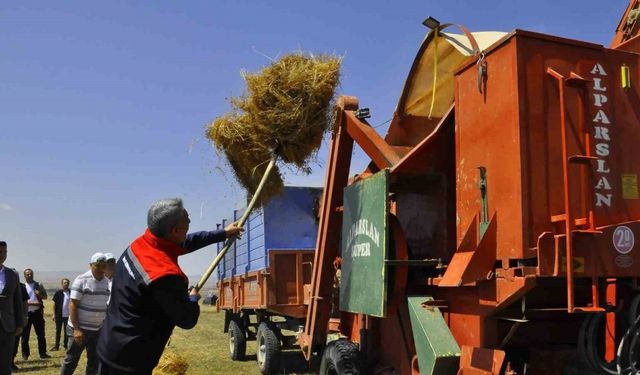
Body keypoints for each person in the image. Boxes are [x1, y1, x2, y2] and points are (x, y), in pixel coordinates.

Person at [97, 198, 243, 375]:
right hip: (129, 359)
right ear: (174, 230)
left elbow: (186, 242)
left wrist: (223, 233)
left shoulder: (140, 245)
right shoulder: (163, 275)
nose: (190, 222)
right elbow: (186, 319)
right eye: (187, 220)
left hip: (108, 343)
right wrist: (193, 297)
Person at [59, 253, 110, 375]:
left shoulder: (107, 282)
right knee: (71, 360)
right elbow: (73, 305)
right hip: (80, 329)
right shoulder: (81, 280)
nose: (101, 269)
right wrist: (77, 329)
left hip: (97, 330)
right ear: (91, 265)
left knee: (94, 362)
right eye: (98, 265)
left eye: (104, 266)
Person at [0, 241, 25, 375]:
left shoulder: (12, 275)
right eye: (0, 252)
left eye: (4, 252)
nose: (2, 255)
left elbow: (17, 301)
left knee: (5, 364)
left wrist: (20, 323)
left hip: (7, 326)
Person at [21, 268, 49, 360]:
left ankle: (43, 353)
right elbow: (20, 301)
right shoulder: (22, 286)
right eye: (28, 274)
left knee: (41, 335)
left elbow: (45, 297)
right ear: (24, 276)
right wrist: (32, 303)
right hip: (26, 314)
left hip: (37, 313)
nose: (30, 275)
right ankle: (25, 355)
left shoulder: (38, 285)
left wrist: (39, 294)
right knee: (25, 336)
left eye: (31, 274)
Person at [11, 272, 28, 372]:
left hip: (16, 318)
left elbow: (25, 302)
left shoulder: (21, 287)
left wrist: (25, 316)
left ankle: (11, 363)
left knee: (14, 342)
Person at [51, 278, 71, 351]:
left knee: (67, 332)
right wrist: (54, 314)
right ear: (62, 284)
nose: (66, 284)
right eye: (64, 282)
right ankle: (56, 346)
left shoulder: (71, 293)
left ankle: (66, 345)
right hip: (59, 315)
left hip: (68, 316)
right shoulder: (58, 293)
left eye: (67, 282)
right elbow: (54, 304)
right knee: (58, 331)